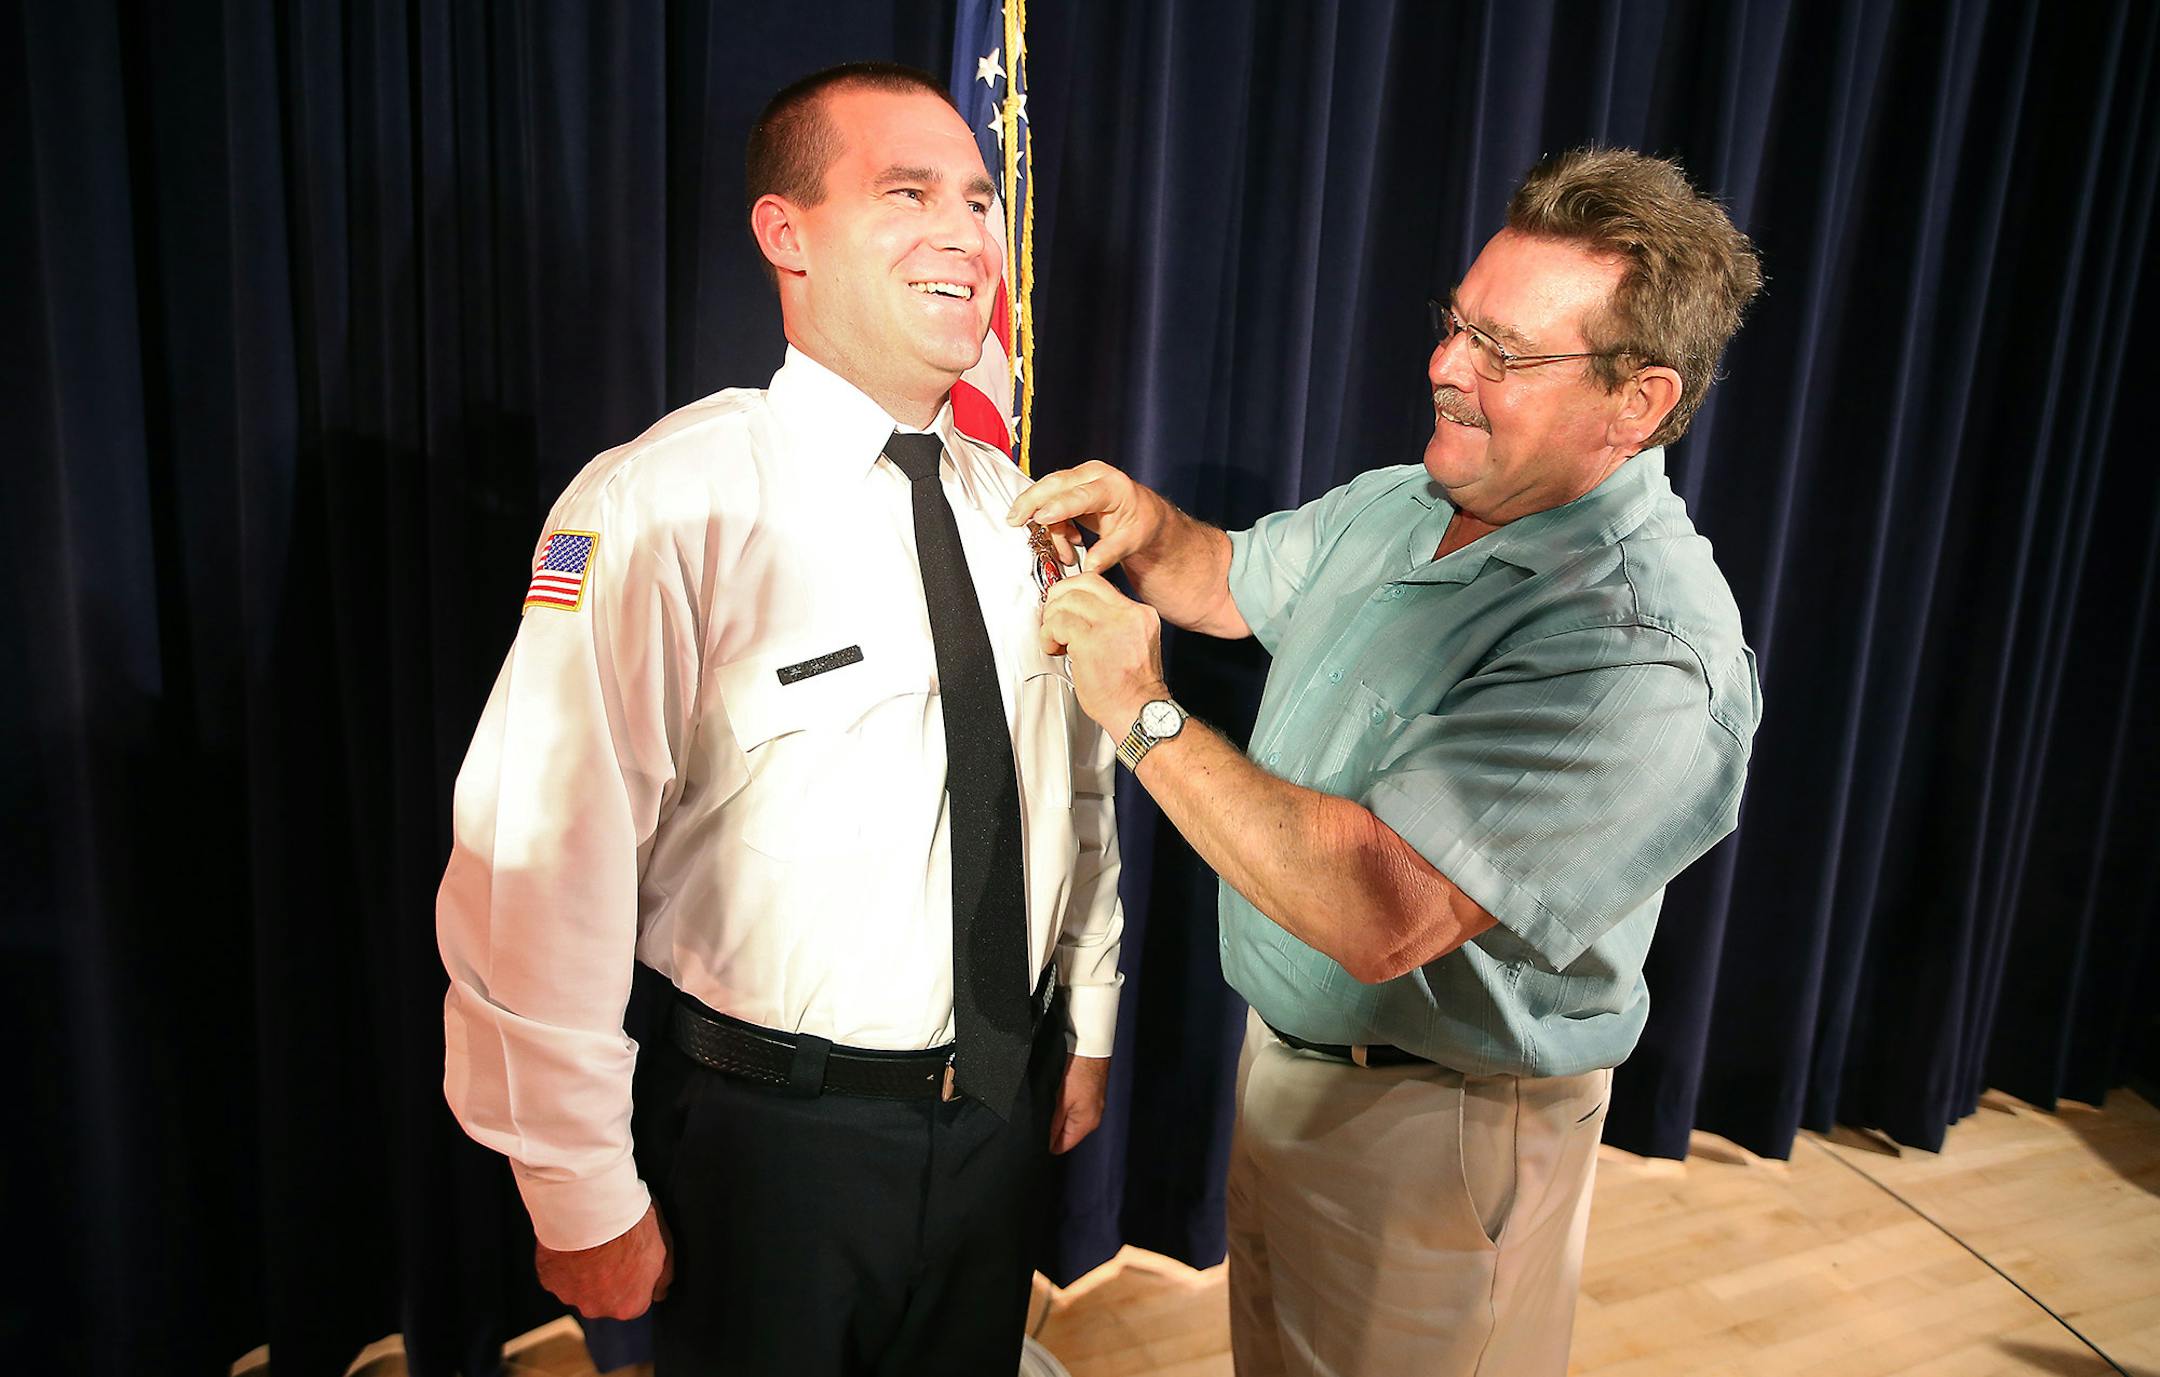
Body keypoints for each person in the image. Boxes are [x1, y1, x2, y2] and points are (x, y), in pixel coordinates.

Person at [1010, 146, 1763, 1376]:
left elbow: (1383, 912)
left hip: (1440, 1141)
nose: (1445, 367)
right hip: (1304, 1086)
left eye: (1504, 352)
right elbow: (1235, 578)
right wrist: (1149, 526)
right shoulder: (1421, 497)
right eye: (1457, 322)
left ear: (1638, 402)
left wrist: (1144, 715)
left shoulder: (1643, 657)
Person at [437, 62, 1123, 1376]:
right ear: (785, 232)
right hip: (773, 1150)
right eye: (906, 193)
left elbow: (1069, 783)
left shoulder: (1021, 508)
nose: (966, 235)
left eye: (978, 200)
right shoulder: (658, 506)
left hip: (994, 1113)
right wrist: (576, 1185)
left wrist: (1082, 1012)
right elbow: (539, 860)